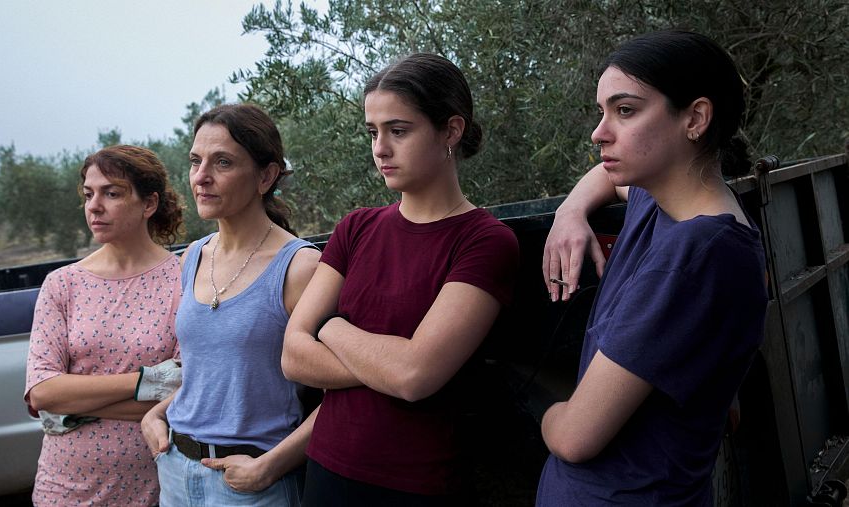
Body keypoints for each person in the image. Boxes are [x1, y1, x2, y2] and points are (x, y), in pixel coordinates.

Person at [537, 30, 768, 505]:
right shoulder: (661, 200)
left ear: (695, 118)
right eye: (601, 112)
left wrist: (546, 413)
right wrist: (569, 212)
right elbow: (606, 177)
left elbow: (575, 438)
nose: (599, 132)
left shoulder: (696, 254)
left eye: (625, 111)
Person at [281, 53, 519, 505]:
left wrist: (330, 327)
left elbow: (414, 376)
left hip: (416, 484)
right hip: (326, 469)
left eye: (399, 130)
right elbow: (293, 356)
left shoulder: (485, 241)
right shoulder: (355, 228)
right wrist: (387, 364)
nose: (380, 149)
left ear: (451, 130)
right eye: (373, 132)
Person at [140, 103, 320, 506]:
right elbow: (209, 375)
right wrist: (156, 414)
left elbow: (342, 398)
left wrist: (271, 466)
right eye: (195, 161)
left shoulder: (300, 268)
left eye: (222, 162)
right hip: (176, 472)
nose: (201, 177)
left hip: (252, 485)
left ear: (266, 176)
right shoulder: (192, 257)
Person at [25, 145, 184, 506]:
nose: (94, 206)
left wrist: (73, 404)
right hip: (62, 488)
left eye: (111, 193)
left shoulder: (184, 279)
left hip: (154, 486)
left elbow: (183, 396)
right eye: (88, 194)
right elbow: (42, 393)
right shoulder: (62, 284)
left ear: (149, 203)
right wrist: (149, 380)